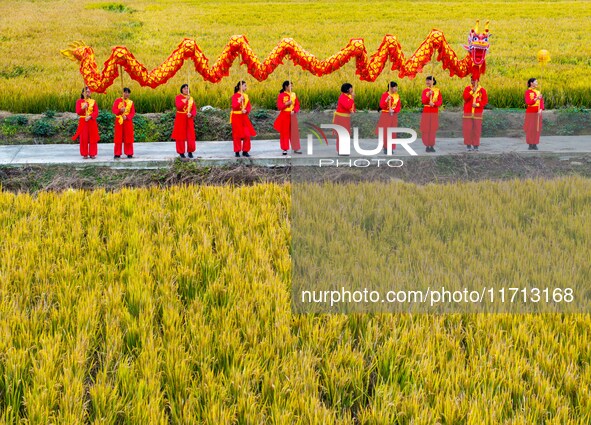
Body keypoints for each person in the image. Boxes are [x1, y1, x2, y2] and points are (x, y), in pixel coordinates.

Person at [273, 80, 302, 155]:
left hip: (292, 115)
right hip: (284, 115)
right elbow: (279, 106)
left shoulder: (293, 94)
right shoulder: (281, 95)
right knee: (284, 132)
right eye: (290, 86)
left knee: (294, 132)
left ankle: (296, 148)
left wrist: (294, 110)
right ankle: (284, 149)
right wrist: (287, 103)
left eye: (292, 85)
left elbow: (297, 105)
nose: (292, 87)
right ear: (286, 86)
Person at [72, 86, 100, 159]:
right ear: (82, 93)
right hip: (83, 121)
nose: (88, 93)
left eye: (89, 91)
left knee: (93, 137)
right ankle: (84, 154)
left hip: (91, 121)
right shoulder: (79, 101)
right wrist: (83, 107)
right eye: (86, 91)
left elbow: (96, 112)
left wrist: (90, 116)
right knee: (83, 138)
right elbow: (78, 112)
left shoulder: (93, 101)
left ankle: (92, 153)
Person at [231, 80, 257, 157]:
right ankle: (237, 151)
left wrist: (246, 110)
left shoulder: (246, 96)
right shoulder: (235, 96)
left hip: (244, 117)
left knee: (247, 134)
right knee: (237, 135)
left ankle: (245, 151)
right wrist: (239, 100)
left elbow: (249, 106)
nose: (246, 87)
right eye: (244, 85)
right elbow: (234, 106)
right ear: (240, 86)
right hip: (236, 117)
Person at [171, 84, 197, 159]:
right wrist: (186, 100)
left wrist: (191, 114)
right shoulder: (178, 97)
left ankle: (190, 151)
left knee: (190, 135)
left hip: (189, 118)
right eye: (184, 88)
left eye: (187, 88)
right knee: (180, 135)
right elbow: (179, 106)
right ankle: (181, 152)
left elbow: (194, 109)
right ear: (181, 89)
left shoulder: (191, 98)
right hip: (180, 117)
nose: (186, 90)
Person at [462, 78, 488, 152]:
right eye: (472, 80)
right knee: (468, 129)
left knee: (477, 129)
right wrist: (472, 92)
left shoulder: (482, 90)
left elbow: (485, 101)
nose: (472, 81)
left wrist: (477, 104)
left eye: (474, 80)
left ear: (478, 81)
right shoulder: (467, 89)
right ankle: (468, 145)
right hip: (468, 112)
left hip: (477, 113)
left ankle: (476, 145)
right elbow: (465, 98)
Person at [376, 81, 401, 154]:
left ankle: (391, 147)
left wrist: (393, 110)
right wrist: (387, 100)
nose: (396, 88)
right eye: (394, 87)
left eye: (396, 87)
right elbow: (381, 105)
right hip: (386, 115)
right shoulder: (385, 95)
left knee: (392, 132)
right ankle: (385, 147)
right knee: (386, 132)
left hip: (393, 115)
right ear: (390, 88)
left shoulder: (397, 96)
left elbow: (399, 107)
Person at [420, 76, 442, 153]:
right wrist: (428, 95)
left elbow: (440, 101)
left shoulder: (437, 91)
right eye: (427, 80)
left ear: (433, 81)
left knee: (432, 129)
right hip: (426, 111)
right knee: (426, 128)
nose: (428, 82)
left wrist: (434, 103)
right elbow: (423, 101)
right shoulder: (425, 91)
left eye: (429, 80)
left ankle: (432, 145)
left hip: (434, 111)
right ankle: (427, 145)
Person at [112, 87, 135, 159]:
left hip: (127, 121)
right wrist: (120, 110)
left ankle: (129, 153)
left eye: (128, 93)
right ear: (122, 93)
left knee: (128, 136)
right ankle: (117, 153)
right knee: (118, 137)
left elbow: (132, 113)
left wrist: (127, 117)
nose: (127, 94)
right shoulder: (118, 101)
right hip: (119, 121)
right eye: (125, 92)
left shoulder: (131, 102)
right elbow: (114, 110)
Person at [333, 83, 355, 153]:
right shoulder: (342, 97)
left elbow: (351, 106)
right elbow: (347, 106)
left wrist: (353, 110)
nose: (352, 89)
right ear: (347, 89)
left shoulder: (348, 96)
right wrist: (353, 98)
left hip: (345, 118)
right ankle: (340, 150)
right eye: (351, 88)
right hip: (341, 118)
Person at [524, 78, 544, 150]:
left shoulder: (538, 92)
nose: (537, 83)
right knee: (530, 127)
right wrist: (536, 98)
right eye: (536, 82)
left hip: (538, 112)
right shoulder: (528, 92)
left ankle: (535, 143)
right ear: (531, 83)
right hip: (531, 111)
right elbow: (528, 102)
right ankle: (530, 144)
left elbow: (541, 102)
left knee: (537, 128)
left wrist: (541, 110)